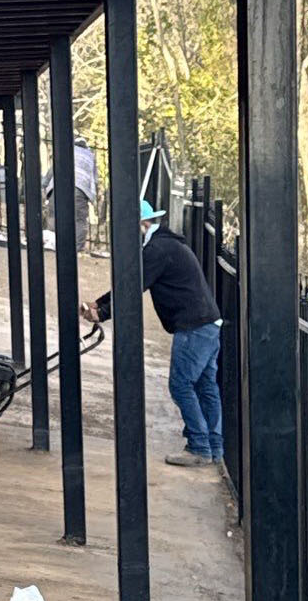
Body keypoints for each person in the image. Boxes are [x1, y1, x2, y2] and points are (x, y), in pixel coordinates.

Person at [84, 199, 223, 468]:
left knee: (181, 386)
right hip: (207, 323)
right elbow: (131, 283)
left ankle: (200, 447)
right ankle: (213, 447)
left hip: (192, 326)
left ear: (141, 225)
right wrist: (99, 304)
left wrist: (102, 312)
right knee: (205, 387)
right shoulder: (167, 244)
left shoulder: (157, 249)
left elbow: (132, 286)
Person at [44, 135, 97, 253]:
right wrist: (92, 196)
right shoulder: (90, 156)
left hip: (58, 186)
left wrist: (45, 184)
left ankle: (52, 245)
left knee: (54, 214)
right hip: (80, 189)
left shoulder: (66, 150)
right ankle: (77, 249)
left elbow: (53, 169)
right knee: (79, 219)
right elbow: (94, 178)